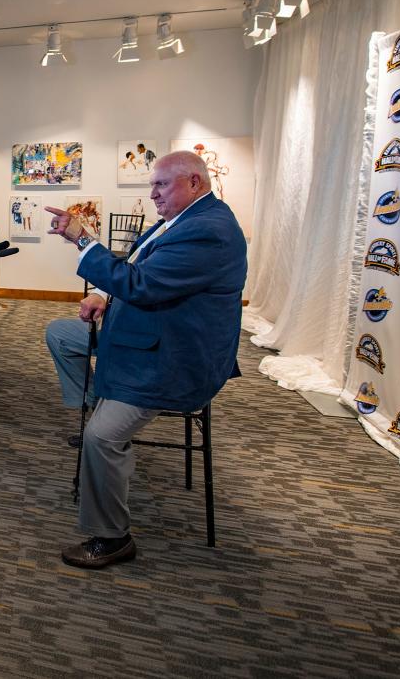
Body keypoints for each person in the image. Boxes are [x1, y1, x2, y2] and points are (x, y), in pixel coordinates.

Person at [44, 151, 246, 570]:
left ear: (194, 182)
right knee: (61, 335)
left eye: (161, 185)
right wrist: (102, 295)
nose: (152, 194)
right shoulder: (183, 220)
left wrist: (84, 241)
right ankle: (98, 407)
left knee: (101, 438)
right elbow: (137, 268)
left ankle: (112, 538)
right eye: (152, 185)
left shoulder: (209, 231)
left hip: (169, 356)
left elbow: (142, 284)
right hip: (139, 333)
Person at [45, 288, 108, 446]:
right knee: (58, 332)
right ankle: (97, 406)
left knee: (59, 334)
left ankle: (104, 421)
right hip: (122, 326)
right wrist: (100, 293)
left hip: (143, 338)